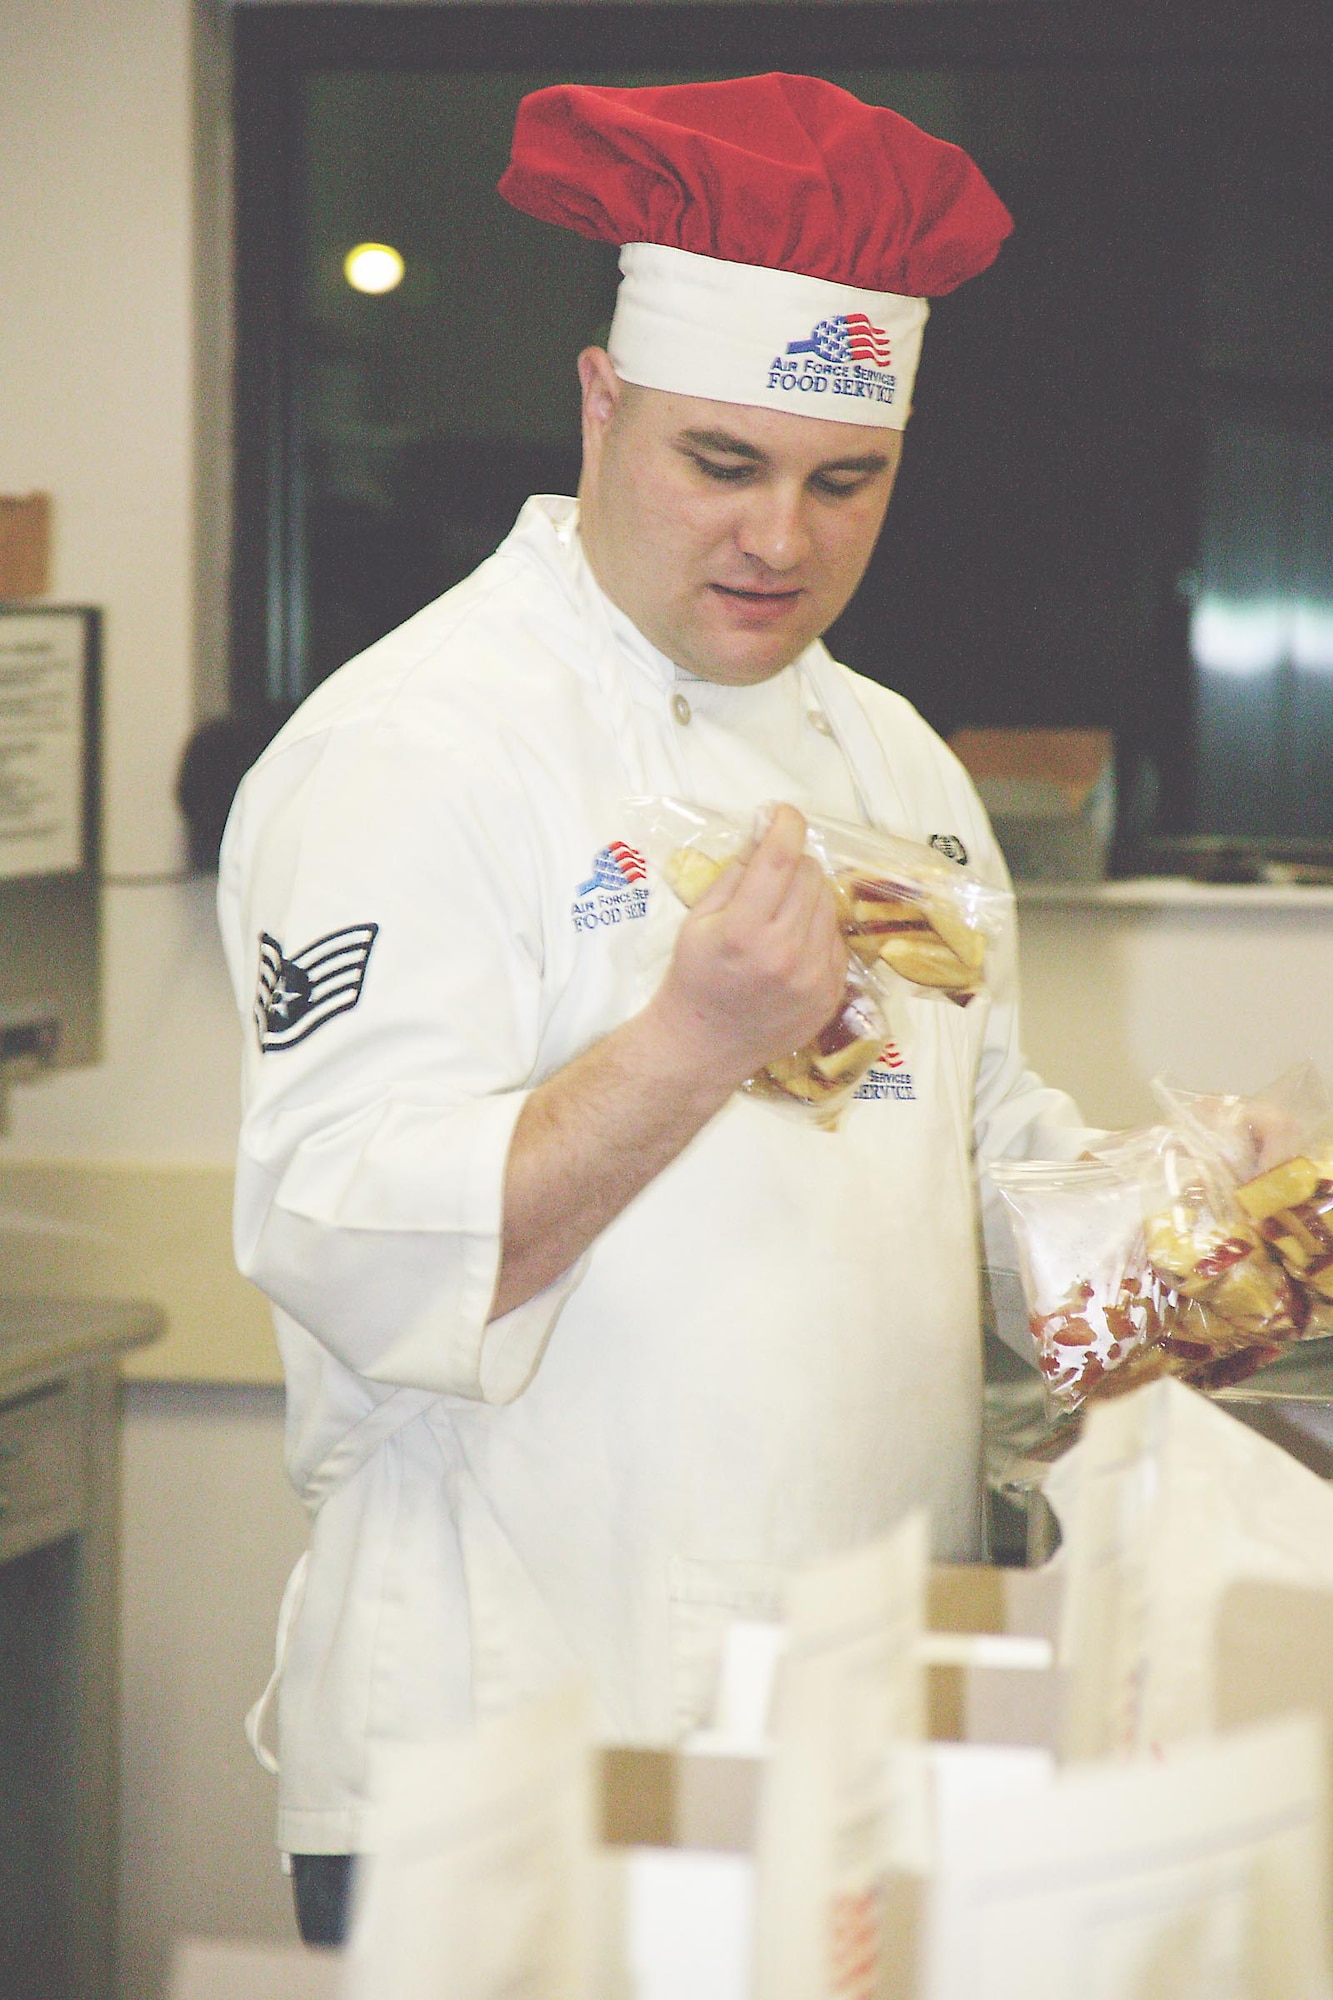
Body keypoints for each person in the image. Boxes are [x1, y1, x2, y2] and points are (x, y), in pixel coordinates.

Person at [218, 72, 1092, 1944]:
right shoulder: (419, 747)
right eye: (723, 463)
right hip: (539, 1740)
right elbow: (343, 1234)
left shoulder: (891, 751)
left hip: (879, 1714)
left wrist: (1172, 1233)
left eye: (841, 480)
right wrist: (693, 1043)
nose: (782, 539)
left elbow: (972, 1145)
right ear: (603, 406)